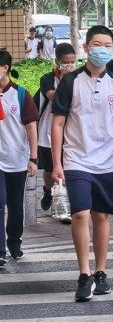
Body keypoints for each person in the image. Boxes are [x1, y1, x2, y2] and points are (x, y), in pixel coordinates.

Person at [50, 25, 113, 301]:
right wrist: (56, 162)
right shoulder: (70, 82)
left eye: (106, 45)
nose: (102, 49)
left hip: (108, 161)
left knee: (101, 216)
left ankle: (101, 271)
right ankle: (84, 273)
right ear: (86, 47)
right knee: (80, 214)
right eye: (96, 44)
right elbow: (58, 123)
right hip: (76, 158)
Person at [0, 50, 39, 268]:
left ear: (5, 68)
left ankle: (14, 240)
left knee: (15, 204)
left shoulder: (21, 95)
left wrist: (33, 157)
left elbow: (31, 127)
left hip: (17, 158)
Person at [37, 43, 77, 215]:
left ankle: (65, 202)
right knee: (49, 168)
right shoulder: (47, 79)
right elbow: (55, 98)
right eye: (65, 62)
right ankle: (47, 190)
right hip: (48, 130)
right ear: (57, 61)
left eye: (72, 61)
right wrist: (66, 80)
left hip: (70, 130)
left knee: (68, 166)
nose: (69, 65)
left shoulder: (79, 76)